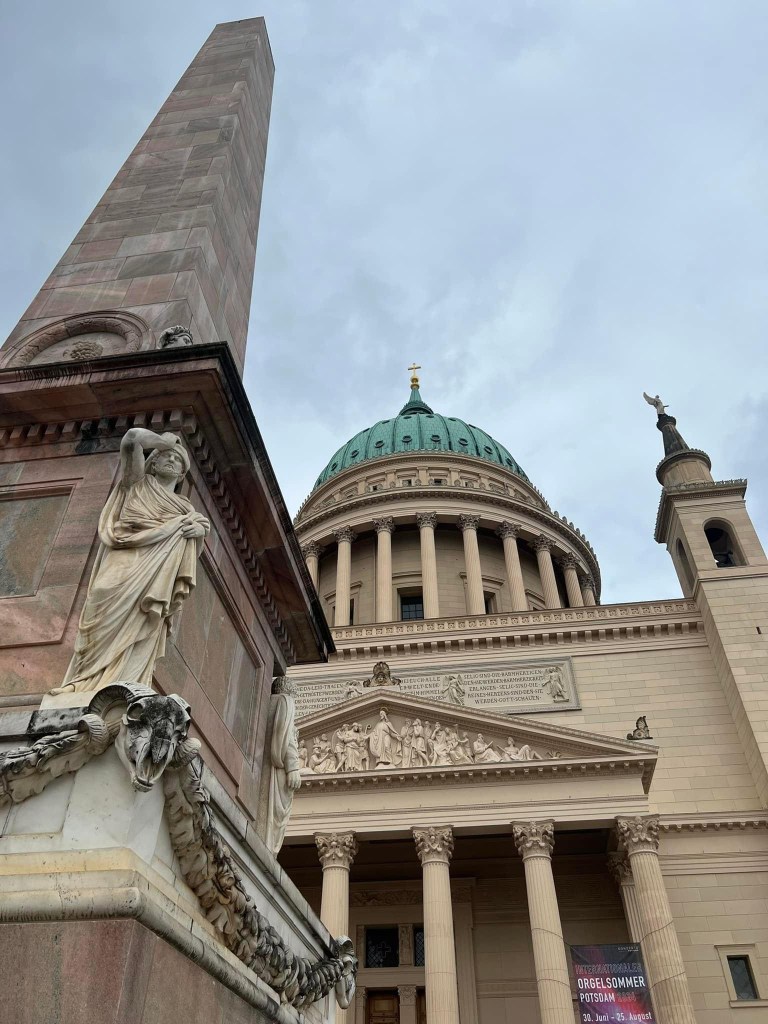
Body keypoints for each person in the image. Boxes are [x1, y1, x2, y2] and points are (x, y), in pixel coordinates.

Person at [52, 427, 209, 694]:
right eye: (167, 456)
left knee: (146, 619)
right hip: (124, 556)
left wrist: (199, 533)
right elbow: (132, 439)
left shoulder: (186, 510)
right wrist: (162, 442)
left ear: (182, 474)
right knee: (100, 598)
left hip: (157, 570)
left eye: (178, 460)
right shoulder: (136, 483)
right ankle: (82, 680)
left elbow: (191, 547)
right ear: (153, 462)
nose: (172, 460)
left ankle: (123, 684)